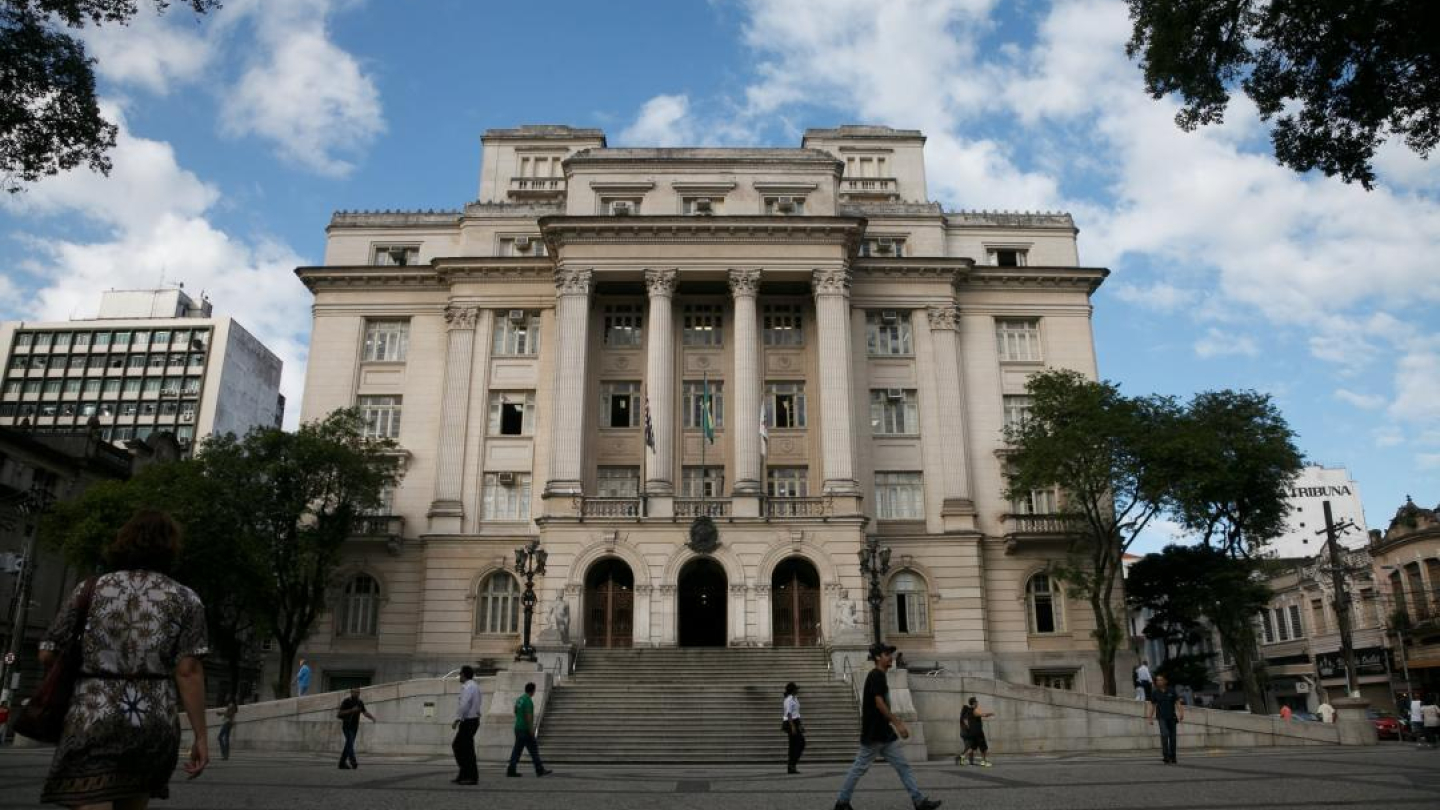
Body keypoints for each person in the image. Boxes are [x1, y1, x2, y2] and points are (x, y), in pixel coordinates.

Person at [37, 509, 210, 807]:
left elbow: (46, 653)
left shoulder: (91, 589)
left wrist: (86, 672)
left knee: (90, 800)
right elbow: (188, 672)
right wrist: (201, 737)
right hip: (152, 719)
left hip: (92, 712)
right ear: (170, 547)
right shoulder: (186, 598)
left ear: (124, 542)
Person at [833, 643, 941, 810]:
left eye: (891, 654)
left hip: (884, 733)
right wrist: (898, 723)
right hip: (874, 733)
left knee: (902, 766)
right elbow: (879, 703)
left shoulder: (880, 675)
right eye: (887, 654)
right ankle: (842, 802)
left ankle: (918, 801)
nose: (890, 657)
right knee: (859, 768)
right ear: (878, 657)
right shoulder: (876, 675)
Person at [507, 682, 553, 777]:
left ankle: (511, 769)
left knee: (517, 750)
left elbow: (515, 710)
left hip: (518, 728)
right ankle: (539, 769)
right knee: (533, 750)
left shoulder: (520, 699)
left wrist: (520, 718)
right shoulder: (528, 701)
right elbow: (528, 716)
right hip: (525, 729)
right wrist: (531, 730)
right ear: (532, 691)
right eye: (534, 690)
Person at [451, 665, 481, 784]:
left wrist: (457, 719)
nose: (459, 676)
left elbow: (464, 704)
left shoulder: (468, 687)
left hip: (468, 721)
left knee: (461, 747)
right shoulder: (474, 686)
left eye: (460, 674)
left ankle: (470, 776)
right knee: (464, 748)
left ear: (464, 675)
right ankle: (464, 773)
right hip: (472, 720)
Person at [1147, 673, 1184, 764]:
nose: (1159, 681)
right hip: (1161, 717)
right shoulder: (1155, 692)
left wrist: (1181, 713)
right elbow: (1152, 705)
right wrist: (1150, 717)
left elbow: (1177, 702)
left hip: (1172, 717)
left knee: (1173, 738)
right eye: (1157, 680)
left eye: (1160, 680)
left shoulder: (1171, 690)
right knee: (1164, 734)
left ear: (1165, 681)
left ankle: (1173, 756)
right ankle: (1166, 756)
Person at [336, 688, 375, 770]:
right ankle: (353, 761)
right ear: (351, 692)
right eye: (355, 692)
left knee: (349, 744)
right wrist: (351, 710)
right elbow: (339, 713)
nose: (357, 694)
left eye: (358, 692)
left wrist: (372, 717)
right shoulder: (346, 701)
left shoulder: (360, 702)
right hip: (347, 725)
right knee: (350, 743)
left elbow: (364, 712)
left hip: (355, 726)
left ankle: (342, 763)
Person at [958, 696, 994, 766]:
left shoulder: (968, 711)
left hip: (973, 732)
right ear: (974, 703)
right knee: (984, 747)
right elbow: (983, 715)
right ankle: (983, 762)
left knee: (973, 747)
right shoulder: (973, 711)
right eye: (976, 702)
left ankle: (962, 757)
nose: (977, 703)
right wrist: (990, 714)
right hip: (978, 732)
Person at [783, 681, 805, 774]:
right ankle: (791, 765)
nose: (797, 690)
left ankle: (791, 765)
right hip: (790, 722)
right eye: (796, 689)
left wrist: (800, 725)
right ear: (793, 690)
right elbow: (788, 714)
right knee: (798, 744)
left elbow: (796, 713)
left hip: (795, 721)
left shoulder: (795, 698)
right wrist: (793, 726)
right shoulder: (789, 700)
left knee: (797, 744)